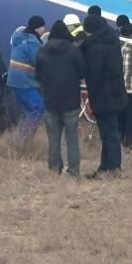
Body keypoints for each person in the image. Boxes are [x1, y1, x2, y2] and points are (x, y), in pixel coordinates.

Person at [36, 21, 86, 175]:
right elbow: (82, 72)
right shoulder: (73, 50)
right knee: (72, 138)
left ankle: (54, 168)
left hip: (50, 100)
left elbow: (38, 76)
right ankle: (73, 170)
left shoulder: (42, 51)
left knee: (53, 137)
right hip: (70, 100)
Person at [80, 15, 127, 176]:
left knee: (108, 133)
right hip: (115, 92)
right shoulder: (112, 42)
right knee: (110, 131)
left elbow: (94, 74)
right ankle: (107, 166)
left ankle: (112, 167)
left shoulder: (94, 48)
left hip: (102, 94)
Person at [8, 16, 47, 144]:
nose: (44, 29)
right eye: (42, 26)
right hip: (25, 81)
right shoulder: (32, 42)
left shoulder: (19, 38)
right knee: (37, 108)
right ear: (36, 28)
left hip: (15, 80)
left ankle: (19, 139)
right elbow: (39, 62)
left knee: (29, 110)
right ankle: (23, 141)